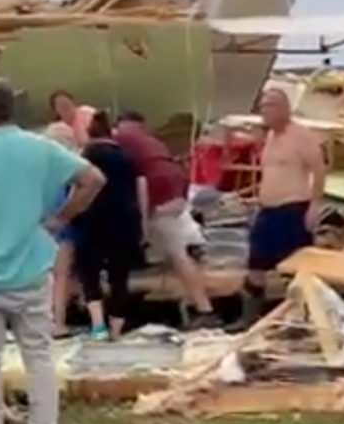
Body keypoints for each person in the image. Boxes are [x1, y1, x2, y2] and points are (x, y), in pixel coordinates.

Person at [0, 78, 105, 424]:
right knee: (38, 355)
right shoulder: (41, 148)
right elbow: (93, 179)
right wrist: (58, 218)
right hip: (31, 269)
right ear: (12, 109)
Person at [115, 111, 220, 329]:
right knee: (174, 250)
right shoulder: (150, 141)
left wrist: (141, 221)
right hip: (175, 190)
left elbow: (141, 182)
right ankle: (200, 307)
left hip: (159, 194)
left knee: (174, 253)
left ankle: (204, 308)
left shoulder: (119, 139)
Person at [241, 87, 326, 324]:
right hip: (267, 209)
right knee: (255, 264)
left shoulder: (301, 136)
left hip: (292, 207)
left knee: (294, 269)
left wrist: (315, 204)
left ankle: (303, 319)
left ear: (282, 109)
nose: (263, 113)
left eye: (267, 108)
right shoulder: (270, 136)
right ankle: (250, 318)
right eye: (262, 108)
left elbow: (319, 169)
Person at [73, 110, 144, 341]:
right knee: (119, 276)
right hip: (124, 219)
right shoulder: (126, 156)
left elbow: (77, 188)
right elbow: (140, 188)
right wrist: (142, 222)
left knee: (89, 272)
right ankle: (116, 328)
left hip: (92, 218)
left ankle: (98, 326)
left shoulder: (86, 156)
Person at [43, 121, 80, 338]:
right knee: (61, 276)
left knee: (42, 277)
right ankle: (58, 322)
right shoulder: (70, 166)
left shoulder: (38, 167)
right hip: (63, 225)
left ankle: (43, 322)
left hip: (40, 225)